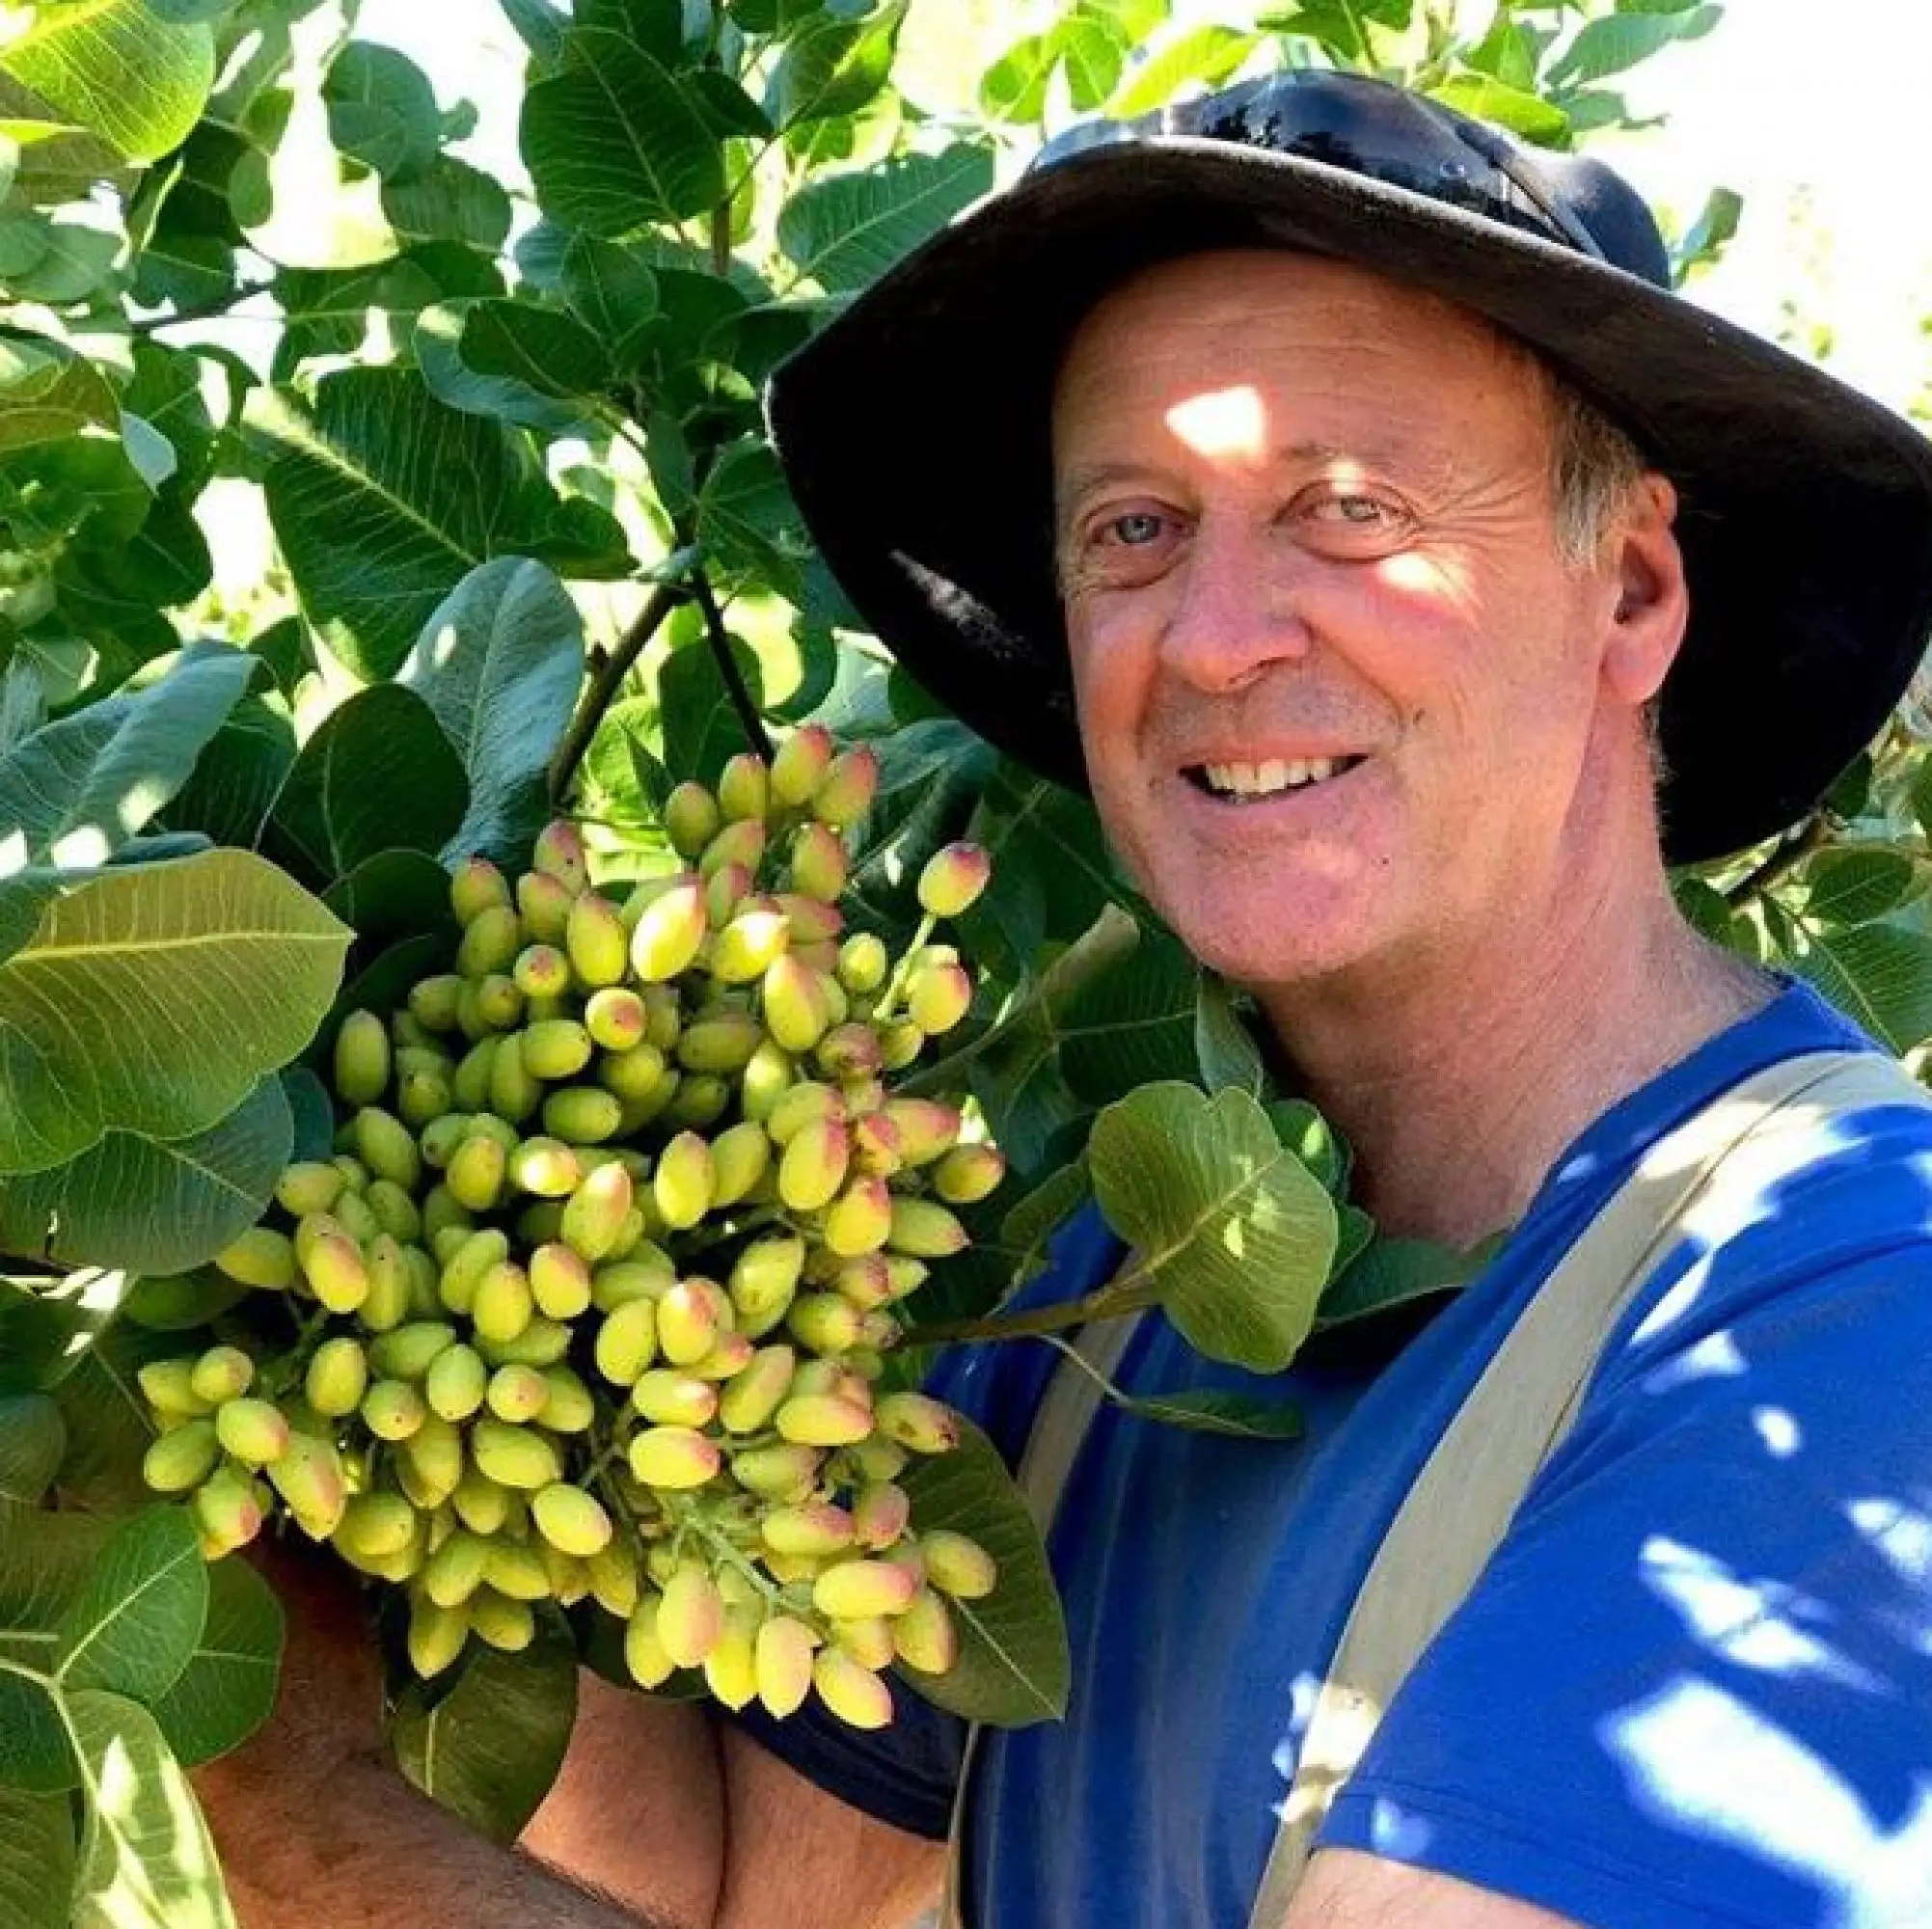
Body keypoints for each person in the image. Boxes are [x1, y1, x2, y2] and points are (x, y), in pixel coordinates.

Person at [196, 68, 1932, 1929]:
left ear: (1633, 589)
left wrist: (285, 1797)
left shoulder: (1843, 1328)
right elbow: (760, 1901)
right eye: (1130, 530)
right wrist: (271, 1535)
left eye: (1345, 506)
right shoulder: (1093, 1291)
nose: (1213, 634)